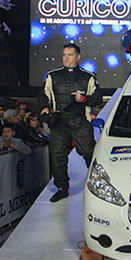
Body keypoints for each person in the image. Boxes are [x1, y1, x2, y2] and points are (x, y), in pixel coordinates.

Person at [38, 43, 102, 202]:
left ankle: (98, 185)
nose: (66, 58)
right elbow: (42, 95)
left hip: (81, 120)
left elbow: (98, 99)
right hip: (59, 120)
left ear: (77, 57)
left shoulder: (88, 77)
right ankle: (62, 188)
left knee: (89, 153)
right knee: (57, 156)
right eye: (64, 54)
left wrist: (83, 99)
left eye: (70, 54)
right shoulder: (53, 75)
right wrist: (45, 108)